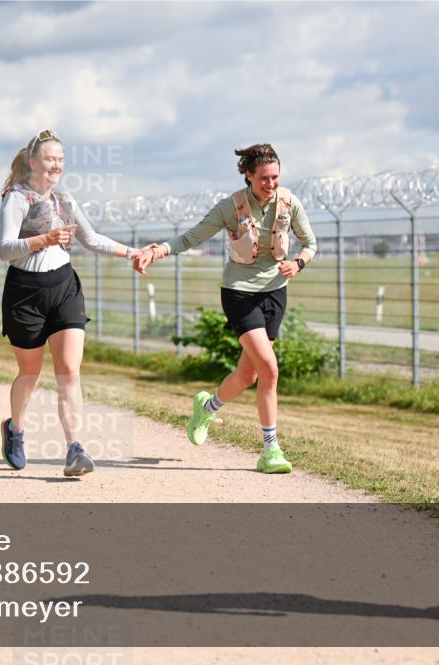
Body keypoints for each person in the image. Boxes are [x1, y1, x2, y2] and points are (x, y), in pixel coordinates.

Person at [135, 144, 316, 474]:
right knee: (270, 369)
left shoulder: (289, 203)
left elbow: (310, 243)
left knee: (249, 375)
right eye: (264, 178)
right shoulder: (230, 208)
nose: (270, 183)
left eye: (275, 177)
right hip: (239, 294)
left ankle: (208, 406)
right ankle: (270, 450)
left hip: (275, 293)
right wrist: (159, 250)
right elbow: (190, 239)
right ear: (248, 175)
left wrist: (298, 263)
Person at [0, 129, 139, 477]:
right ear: (32, 162)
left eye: (61, 159)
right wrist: (44, 239)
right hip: (25, 293)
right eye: (49, 158)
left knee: (69, 371)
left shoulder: (64, 198)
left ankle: (75, 449)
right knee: (30, 373)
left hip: (64, 287)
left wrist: (132, 252)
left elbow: (90, 239)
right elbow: (3, 249)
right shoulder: (16, 199)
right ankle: (15, 429)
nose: (56, 165)